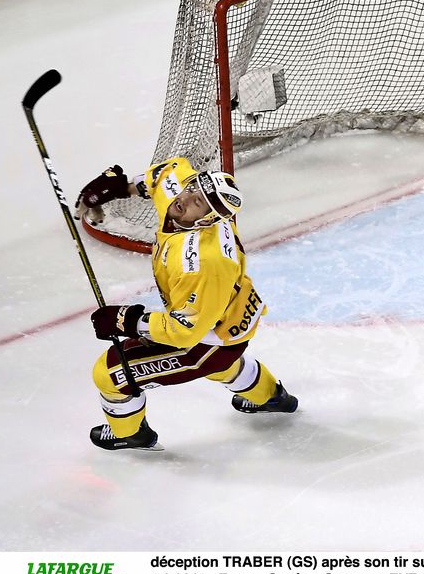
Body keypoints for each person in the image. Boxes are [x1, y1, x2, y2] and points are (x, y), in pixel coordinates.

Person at [76, 158, 297, 450]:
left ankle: (129, 434)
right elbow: (166, 173)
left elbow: (184, 332)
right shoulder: (181, 193)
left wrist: (127, 321)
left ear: (206, 220)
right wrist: (120, 188)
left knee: (110, 374)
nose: (186, 199)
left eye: (198, 203)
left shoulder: (201, 263)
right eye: (192, 189)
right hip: (229, 313)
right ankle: (272, 397)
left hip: (210, 339)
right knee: (222, 366)